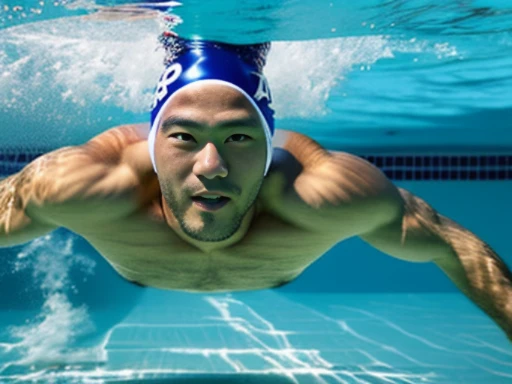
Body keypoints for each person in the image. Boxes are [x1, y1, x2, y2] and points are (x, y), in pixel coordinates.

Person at [1, 37, 511, 342]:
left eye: (239, 138)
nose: (212, 165)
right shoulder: (80, 185)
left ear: (268, 151)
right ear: (154, 144)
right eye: (184, 137)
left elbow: (452, 246)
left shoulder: (327, 194)